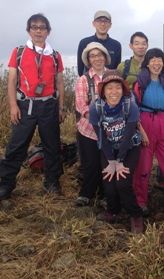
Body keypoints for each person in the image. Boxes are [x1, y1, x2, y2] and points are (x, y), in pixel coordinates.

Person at [0, 13, 65, 201]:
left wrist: (61, 107)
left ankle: (51, 182)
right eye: (34, 27)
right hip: (25, 106)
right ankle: (5, 185)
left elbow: (59, 83)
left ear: (48, 31)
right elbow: (12, 80)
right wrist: (13, 105)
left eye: (42, 27)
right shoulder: (19, 52)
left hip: (49, 105)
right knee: (16, 146)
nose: (38, 31)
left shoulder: (55, 56)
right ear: (28, 30)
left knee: (52, 146)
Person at [89, 70, 144, 233]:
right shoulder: (96, 108)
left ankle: (136, 215)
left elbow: (128, 135)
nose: (114, 92)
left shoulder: (129, 106)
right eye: (109, 88)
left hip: (130, 148)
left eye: (118, 87)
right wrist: (110, 161)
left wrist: (119, 161)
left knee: (123, 183)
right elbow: (101, 137)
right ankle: (113, 211)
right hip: (108, 149)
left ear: (123, 89)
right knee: (109, 183)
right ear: (103, 91)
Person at [132, 48, 164, 217]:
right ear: (147, 63)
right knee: (143, 166)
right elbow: (134, 109)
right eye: (153, 59)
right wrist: (141, 131)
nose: (156, 63)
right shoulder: (140, 82)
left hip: (163, 122)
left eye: (159, 59)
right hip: (144, 122)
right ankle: (140, 202)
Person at [74, 42, 110, 207]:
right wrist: (97, 120)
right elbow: (82, 106)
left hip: (111, 129)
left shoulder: (113, 76)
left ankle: (105, 195)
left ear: (105, 57)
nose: (97, 58)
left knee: (107, 162)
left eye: (99, 55)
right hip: (88, 129)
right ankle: (86, 194)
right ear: (88, 60)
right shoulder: (83, 80)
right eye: (93, 56)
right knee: (91, 164)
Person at [77, 10, 121, 75]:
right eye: (99, 21)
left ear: (110, 25)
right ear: (93, 23)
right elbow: (80, 68)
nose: (103, 24)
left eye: (106, 21)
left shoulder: (116, 45)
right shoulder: (84, 43)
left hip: (109, 83)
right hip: (89, 82)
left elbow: (116, 69)